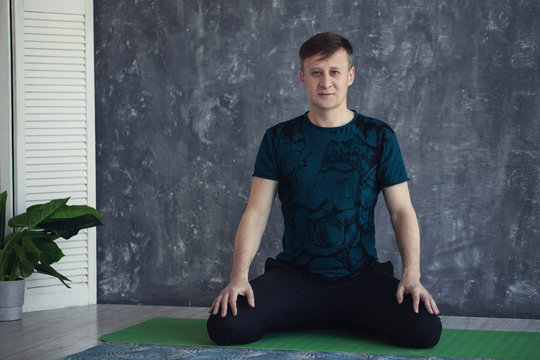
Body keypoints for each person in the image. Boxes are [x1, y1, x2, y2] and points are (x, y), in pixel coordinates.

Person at [207, 32, 442, 348]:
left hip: (361, 279)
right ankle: (317, 314)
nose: (326, 82)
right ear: (302, 77)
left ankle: (341, 314)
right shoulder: (279, 139)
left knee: (425, 330)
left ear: (350, 76)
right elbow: (257, 211)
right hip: (295, 279)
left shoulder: (379, 136)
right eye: (316, 72)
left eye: (334, 72)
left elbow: (402, 212)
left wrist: (411, 276)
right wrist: (239, 277)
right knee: (225, 326)